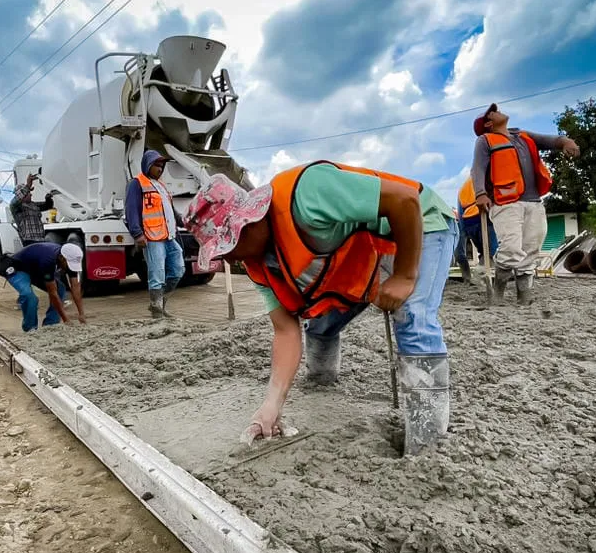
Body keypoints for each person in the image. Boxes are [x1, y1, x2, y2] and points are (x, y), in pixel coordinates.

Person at [184, 164, 458, 454]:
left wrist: (404, 276)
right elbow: (286, 331)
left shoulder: (307, 193)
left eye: (228, 245)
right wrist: (270, 406)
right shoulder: (259, 266)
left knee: (412, 314)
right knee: (322, 317)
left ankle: (428, 444)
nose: (229, 259)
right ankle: (322, 380)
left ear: (250, 220)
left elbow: (404, 199)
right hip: (364, 253)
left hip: (419, 223)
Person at [470, 103, 579, 304]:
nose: (498, 110)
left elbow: (550, 140)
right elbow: (477, 168)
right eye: (493, 112)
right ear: (488, 123)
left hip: (534, 202)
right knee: (511, 247)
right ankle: (498, 294)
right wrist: (480, 193)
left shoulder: (523, 135)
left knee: (531, 247)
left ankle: (524, 297)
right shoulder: (485, 141)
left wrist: (565, 142)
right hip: (506, 203)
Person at [125, 150, 185, 318]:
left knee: (178, 269)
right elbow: (131, 211)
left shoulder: (161, 186)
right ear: (148, 165)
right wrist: (137, 234)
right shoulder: (137, 184)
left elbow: (171, 212)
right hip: (152, 237)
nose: (160, 169)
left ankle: (159, 304)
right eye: (157, 165)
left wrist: (186, 221)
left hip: (169, 236)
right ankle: (157, 313)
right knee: (157, 275)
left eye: (162, 166)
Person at [0, 241, 87, 331]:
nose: (71, 268)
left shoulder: (68, 261)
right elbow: (53, 294)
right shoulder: (47, 260)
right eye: (70, 264)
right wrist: (66, 320)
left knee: (61, 289)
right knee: (29, 296)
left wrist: (81, 314)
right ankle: (30, 330)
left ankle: (50, 326)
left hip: (35, 269)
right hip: (17, 268)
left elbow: (76, 287)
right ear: (62, 258)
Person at [454, 175, 498, 283]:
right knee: (488, 254)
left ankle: (472, 277)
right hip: (485, 218)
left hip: (468, 222)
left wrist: (464, 230)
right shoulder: (489, 177)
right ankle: (479, 275)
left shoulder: (463, 189)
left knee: (484, 252)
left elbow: (460, 212)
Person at [11, 173, 57, 247]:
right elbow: (15, 201)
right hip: (29, 242)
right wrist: (28, 186)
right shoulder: (16, 207)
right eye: (29, 192)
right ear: (23, 195)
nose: (31, 194)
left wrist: (48, 199)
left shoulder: (33, 205)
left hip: (42, 240)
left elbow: (48, 206)